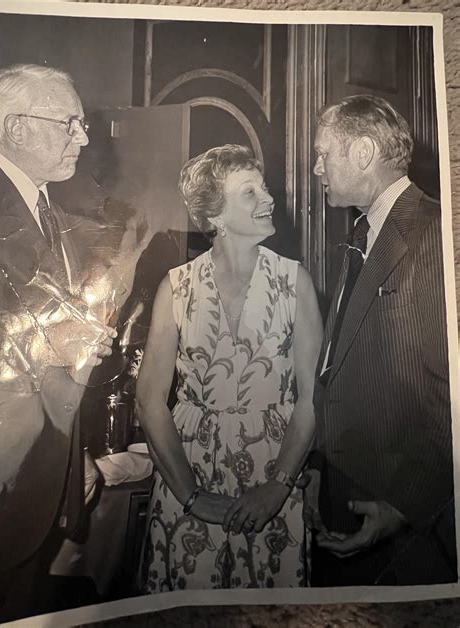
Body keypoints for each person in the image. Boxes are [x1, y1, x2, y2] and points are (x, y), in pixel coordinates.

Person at [136, 144, 322, 591]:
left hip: (275, 468)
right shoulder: (176, 288)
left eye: (264, 186)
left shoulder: (294, 280)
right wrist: (191, 496)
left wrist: (278, 487)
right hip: (189, 470)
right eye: (249, 192)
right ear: (215, 215)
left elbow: (312, 399)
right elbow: (149, 402)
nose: (268, 198)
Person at [0, 63, 123, 622]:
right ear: (15, 126)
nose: (85, 137)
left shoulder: (53, 213)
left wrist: (75, 459)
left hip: (41, 481)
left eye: (83, 123)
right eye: (68, 123)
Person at [303, 94, 456, 586]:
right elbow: (339, 366)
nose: (315, 169)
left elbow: (449, 391)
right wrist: (319, 469)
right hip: (345, 494)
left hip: (407, 520)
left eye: (324, 154)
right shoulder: (364, 231)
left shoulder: (434, 233)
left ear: (364, 153)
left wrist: (404, 504)